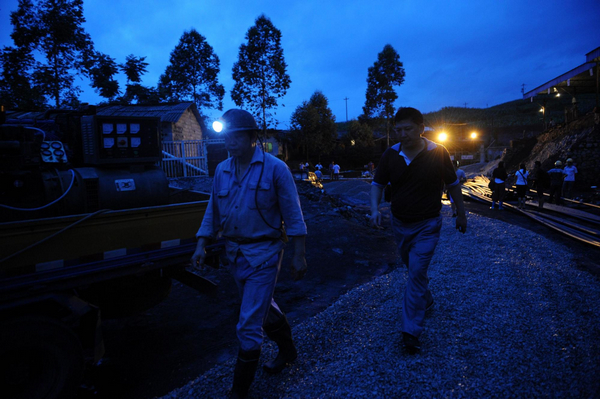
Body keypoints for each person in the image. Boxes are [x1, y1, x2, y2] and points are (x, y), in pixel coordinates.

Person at [191, 109, 307, 399]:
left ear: (253, 138)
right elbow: (213, 211)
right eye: (227, 137)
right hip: (235, 252)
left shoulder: (275, 168)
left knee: (248, 322)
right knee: (261, 307)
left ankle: (239, 391)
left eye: (236, 136)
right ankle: (289, 351)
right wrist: (201, 244)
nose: (230, 142)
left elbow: (293, 215)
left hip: (265, 252)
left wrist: (298, 254)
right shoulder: (222, 170)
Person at [370, 107, 467, 353]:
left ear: (421, 128)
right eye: (398, 129)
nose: (403, 134)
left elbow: (453, 184)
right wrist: (374, 209)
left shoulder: (438, 152)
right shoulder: (390, 155)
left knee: (415, 272)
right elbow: (377, 183)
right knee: (412, 268)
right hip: (400, 223)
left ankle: (410, 331)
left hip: (428, 224)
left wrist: (461, 213)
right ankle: (427, 298)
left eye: (408, 129)